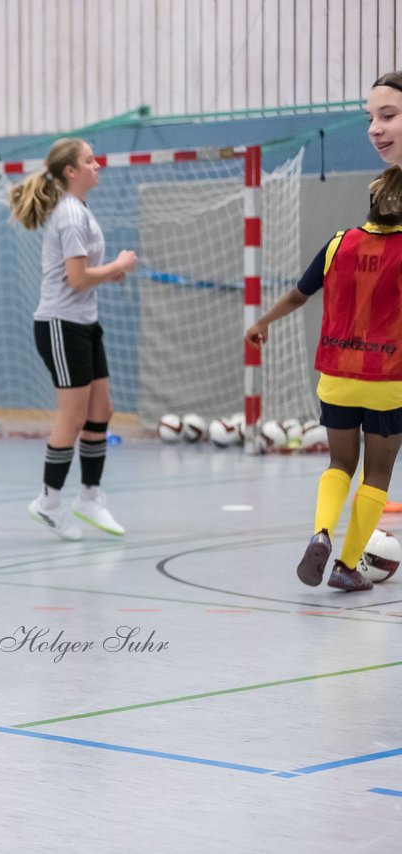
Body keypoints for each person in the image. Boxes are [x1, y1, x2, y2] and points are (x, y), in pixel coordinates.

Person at [245, 71, 402, 592]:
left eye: (387, 116)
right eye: (372, 118)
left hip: (336, 372)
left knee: (339, 462)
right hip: (388, 375)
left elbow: (298, 293)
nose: (375, 129)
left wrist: (262, 323)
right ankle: (348, 564)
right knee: (377, 474)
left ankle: (320, 533)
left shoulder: (340, 242)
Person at [10, 137, 137, 541]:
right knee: (73, 415)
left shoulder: (81, 210)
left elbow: (83, 276)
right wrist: (117, 264)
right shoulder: (68, 214)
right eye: (89, 160)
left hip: (84, 322)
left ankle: (90, 498)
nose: (97, 164)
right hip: (61, 325)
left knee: (102, 409)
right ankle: (48, 503)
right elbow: (77, 278)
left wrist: (110, 272)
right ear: (71, 171)